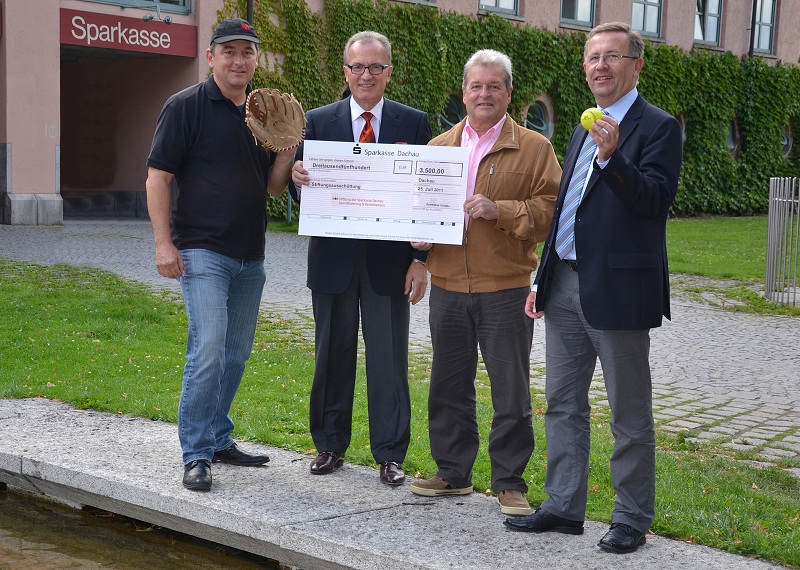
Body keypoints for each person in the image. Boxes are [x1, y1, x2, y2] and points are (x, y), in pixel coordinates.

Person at [503, 22, 683, 553]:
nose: (601, 65)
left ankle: (631, 517)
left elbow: (654, 201)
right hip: (564, 285)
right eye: (593, 57)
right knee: (562, 403)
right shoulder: (585, 126)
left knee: (629, 413)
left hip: (619, 291)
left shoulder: (658, 127)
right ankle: (563, 506)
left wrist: (612, 158)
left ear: (636, 65)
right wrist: (544, 277)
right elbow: (567, 209)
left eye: (613, 56)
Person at [408, 49, 561, 516]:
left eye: (494, 86)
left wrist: (501, 211)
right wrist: (418, 237)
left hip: (505, 288)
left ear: (509, 94)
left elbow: (552, 212)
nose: (485, 94)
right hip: (448, 285)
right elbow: (419, 206)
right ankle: (453, 472)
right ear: (464, 93)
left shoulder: (535, 148)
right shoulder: (438, 148)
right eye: (476, 86)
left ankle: (509, 482)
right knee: (448, 384)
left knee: (510, 390)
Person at [145, 18, 295, 491]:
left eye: (247, 52)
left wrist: (286, 153)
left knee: (234, 354)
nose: (238, 60)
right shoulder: (185, 106)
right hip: (201, 251)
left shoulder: (263, 113)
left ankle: (217, 435)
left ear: (256, 60)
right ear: (211, 57)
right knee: (208, 348)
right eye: (229, 51)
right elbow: (157, 178)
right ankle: (196, 453)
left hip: (251, 255)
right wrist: (163, 243)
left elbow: (273, 188)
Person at [288, 31, 432, 486]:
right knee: (332, 354)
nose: (365, 75)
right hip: (332, 262)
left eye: (375, 67)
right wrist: (297, 177)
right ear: (345, 72)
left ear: (389, 72)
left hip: (390, 264)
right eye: (357, 67)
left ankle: (390, 454)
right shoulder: (316, 121)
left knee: (389, 359)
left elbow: (426, 196)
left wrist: (421, 260)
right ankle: (329, 445)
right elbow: (300, 185)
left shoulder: (414, 123)